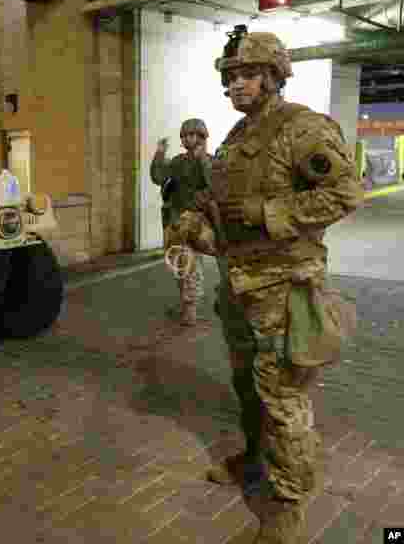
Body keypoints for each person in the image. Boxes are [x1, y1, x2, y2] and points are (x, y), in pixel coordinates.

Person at [168, 27, 363, 543]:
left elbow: (345, 193)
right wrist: (198, 227)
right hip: (238, 283)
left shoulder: (301, 128)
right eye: (231, 77)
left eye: (248, 74)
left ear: (275, 77)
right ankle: (254, 459)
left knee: (283, 398)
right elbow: (223, 209)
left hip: (283, 286)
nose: (236, 85)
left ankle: (288, 504)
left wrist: (267, 211)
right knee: (246, 384)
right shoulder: (238, 136)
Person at [152, 118, 212, 326]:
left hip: (197, 222)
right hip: (176, 220)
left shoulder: (210, 160)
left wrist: (203, 159)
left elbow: (215, 184)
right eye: (184, 135)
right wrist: (160, 154)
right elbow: (159, 177)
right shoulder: (178, 162)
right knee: (179, 264)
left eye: (192, 134)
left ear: (202, 137)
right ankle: (186, 304)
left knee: (191, 264)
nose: (187, 138)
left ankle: (190, 308)